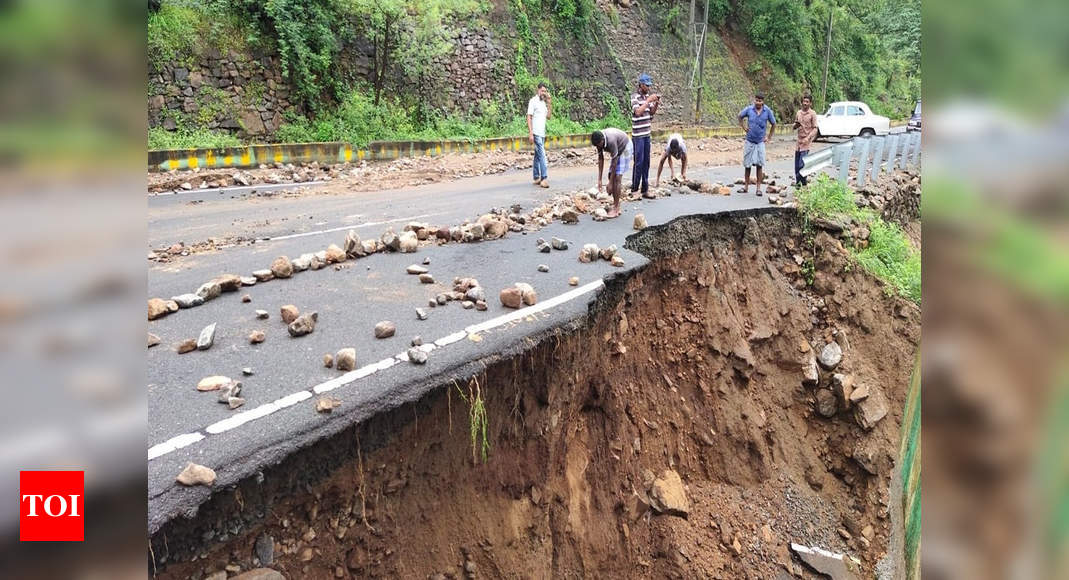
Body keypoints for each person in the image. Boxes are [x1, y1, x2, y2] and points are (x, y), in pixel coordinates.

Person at [737, 92, 776, 195]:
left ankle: (758, 188)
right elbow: (740, 116)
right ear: (754, 100)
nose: (758, 102)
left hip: (760, 142)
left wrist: (769, 137)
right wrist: (744, 127)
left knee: (759, 165)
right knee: (747, 164)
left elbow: (773, 123)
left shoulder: (767, 111)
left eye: (760, 101)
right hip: (749, 140)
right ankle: (746, 187)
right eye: (756, 100)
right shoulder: (749, 109)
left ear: (763, 102)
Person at [591, 128, 633, 218]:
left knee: (617, 177)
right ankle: (615, 204)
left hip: (625, 147)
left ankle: (616, 209)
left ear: (602, 140)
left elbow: (614, 162)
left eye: (599, 145)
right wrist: (600, 180)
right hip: (618, 151)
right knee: (611, 175)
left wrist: (610, 183)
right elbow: (601, 159)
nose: (598, 148)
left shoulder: (611, 141)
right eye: (597, 146)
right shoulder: (598, 142)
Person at [630, 74, 660, 196]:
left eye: (649, 85)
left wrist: (656, 102)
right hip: (638, 135)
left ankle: (645, 189)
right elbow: (637, 112)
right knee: (638, 162)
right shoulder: (634, 97)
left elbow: (651, 113)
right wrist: (648, 101)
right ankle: (635, 188)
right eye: (646, 85)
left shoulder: (647, 97)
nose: (648, 87)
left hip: (647, 134)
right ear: (641, 85)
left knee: (646, 162)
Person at [527, 82, 552, 188]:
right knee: (542, 154)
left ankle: (536, 176)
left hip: (542, 133)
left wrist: (549, 102)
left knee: (537, 155)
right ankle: (544, 178)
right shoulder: (533, 101)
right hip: (536, 133)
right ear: (538, 90)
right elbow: (529, 117)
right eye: (542, 91)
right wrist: (531, 133)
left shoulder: (543, 103)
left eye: (545, 91)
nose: (544, 93)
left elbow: (549, 117)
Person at [793, 94, 818, 186]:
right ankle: (799, 184)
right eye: (804, 101)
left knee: (802, 165)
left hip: (806, 143)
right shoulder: (798, 113)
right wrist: (796, 125)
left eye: (807, 102)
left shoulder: (812, 114)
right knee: (796, 166)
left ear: (810, 103)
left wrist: (808, 138)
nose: (805, 103)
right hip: (798, 143)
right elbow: (794, 126)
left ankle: (803, 182)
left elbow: (815, 129)